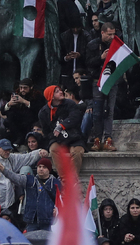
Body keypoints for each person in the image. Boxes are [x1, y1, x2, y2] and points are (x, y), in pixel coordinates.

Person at [0, 139, 48, 218]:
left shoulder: (12, 158)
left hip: (9, 204)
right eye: (5, 150)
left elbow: (27, 157)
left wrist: (39, 152)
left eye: (9, 150)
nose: (7, 152)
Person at [86, 20, 119, 152]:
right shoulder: (93, 44)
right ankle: (97, 139)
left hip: (112, 80)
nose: (112, 37)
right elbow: (88, 63)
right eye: (109, 34)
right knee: (98, 112)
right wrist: (101, 57)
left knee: (109, 111)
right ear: (102, 33)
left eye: (113, 34)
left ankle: (108, 139)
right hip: (98, 80)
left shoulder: (117, 44)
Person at [38, 84, 88, 171]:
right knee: (53, 149)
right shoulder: (43, 112)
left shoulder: (70, 103)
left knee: (77, 152)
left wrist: (62, 126)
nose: (61, 92)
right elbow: (46, 131)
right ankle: (63, 177)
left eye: (60, 90)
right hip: (58, 139)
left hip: (75, 138)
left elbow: (75, 117)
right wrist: (54, 137)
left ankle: (73, 177)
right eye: (57, 92)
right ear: (51, 96)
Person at [1, 78, 45, 145]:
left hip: (31, 120)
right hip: (18, 121)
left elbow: (39, 108)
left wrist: (24, 101)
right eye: (21, 88)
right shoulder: (17, 95)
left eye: (25, 88)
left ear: (31, 87)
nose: (22, 90)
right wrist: (9, 104)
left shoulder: (37, 96)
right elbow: (3, 112)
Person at [23, 158, 61, 232]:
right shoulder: (30, 180)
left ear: (49, 170)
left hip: (48, 222)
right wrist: (3, 169)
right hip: (32, 221)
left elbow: (63, 200)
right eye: (39, 167)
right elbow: (14, 178)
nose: (41, 169)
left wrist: (58, 209)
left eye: (44, 167)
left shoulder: (56, 183)